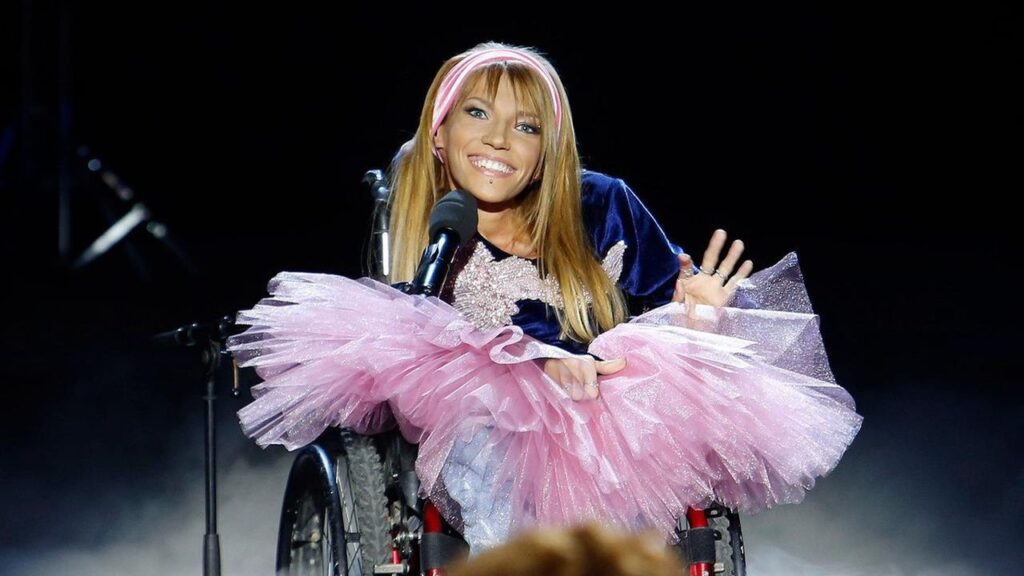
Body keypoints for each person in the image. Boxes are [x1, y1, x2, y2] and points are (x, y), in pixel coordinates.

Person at [228, 42, 862, 552]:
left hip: (604, 402)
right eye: (478, 114)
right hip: (482, 418)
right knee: (490, 449)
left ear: (544, 153)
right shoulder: (435, 227)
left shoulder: (601, 204)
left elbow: (669, 305)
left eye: (525, 126)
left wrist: (697, 312)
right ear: (439, 135)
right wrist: (531, 365)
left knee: (640, 444)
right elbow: (416, 352)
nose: (499, 139)